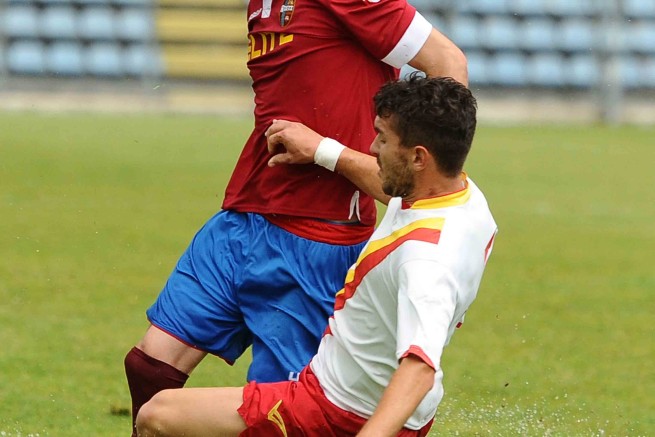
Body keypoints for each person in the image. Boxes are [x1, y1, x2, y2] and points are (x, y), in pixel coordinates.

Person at [124, 0, 468, 433]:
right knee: (149, 366)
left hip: (317, 239)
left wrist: (422, 181)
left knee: (280, 414)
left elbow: (447, 61)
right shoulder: (259, 6)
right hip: (245, 213)